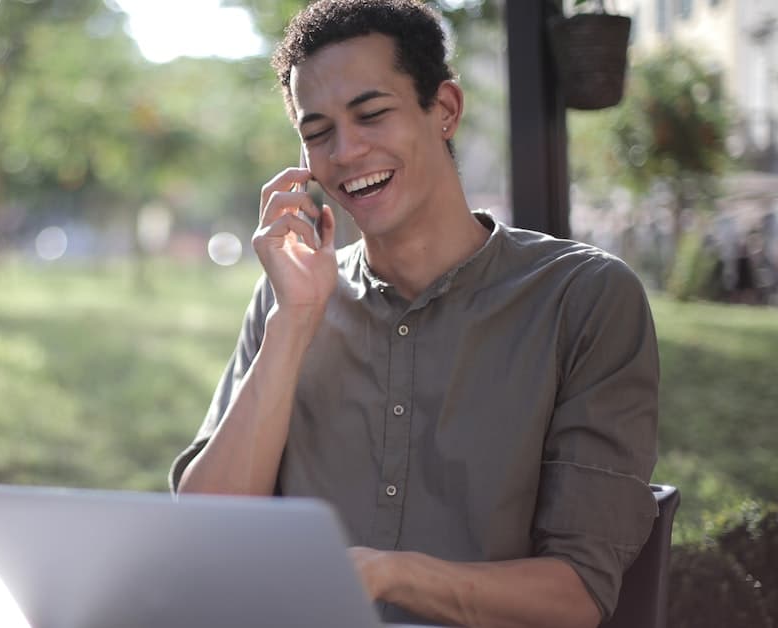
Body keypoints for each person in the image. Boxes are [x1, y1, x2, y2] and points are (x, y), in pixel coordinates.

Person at [169, 1, 659, 626]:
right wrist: (293, 322)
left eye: (371, 114)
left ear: (445, 110)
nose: (346, 151)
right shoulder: (286, 298)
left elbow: (578, 596)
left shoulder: (584, 299)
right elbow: (207, 533)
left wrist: (386, 573)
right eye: (318, 132)